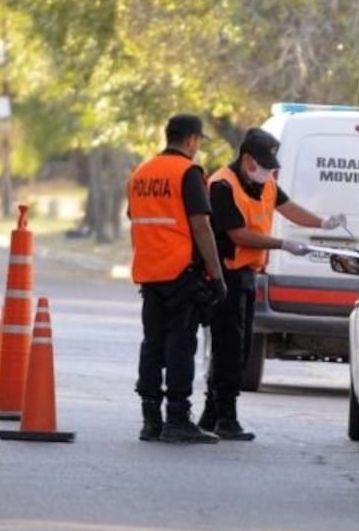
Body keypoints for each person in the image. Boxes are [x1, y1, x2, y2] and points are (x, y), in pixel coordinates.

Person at [200, 128, 346, 440]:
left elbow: (289, 208)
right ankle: (225, 417)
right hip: (224, 277)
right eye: (264, 165)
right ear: (247, 159)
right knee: (229, 349)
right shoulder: (222, 186)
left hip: (248, 275)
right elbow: (238, 235)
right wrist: (282, 244)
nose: (269, 172)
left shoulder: (264, 184)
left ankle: (211, 415)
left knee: (239, 349)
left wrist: (323, 223)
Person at [126, 113, 227, 444]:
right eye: (198, 142)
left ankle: (150, 420)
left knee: (152, 345)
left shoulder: (141, 173)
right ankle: (177, 419)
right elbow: (200, 225)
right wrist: (216, 273)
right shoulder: (188, 172)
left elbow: (135, 218)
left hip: (149, 273)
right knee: (181, 346)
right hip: (181, 273)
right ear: (191, 140)